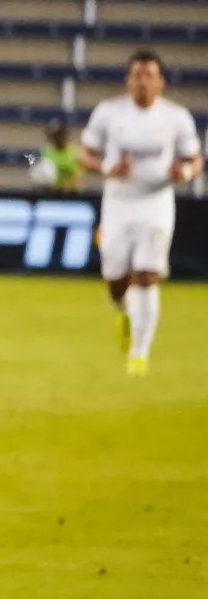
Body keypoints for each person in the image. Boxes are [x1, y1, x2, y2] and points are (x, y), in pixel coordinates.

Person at [79, 50, 201, 376]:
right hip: (118, 203)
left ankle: (139, 354)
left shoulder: (176, 118)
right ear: (127, 80)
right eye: (136, 75)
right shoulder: (109, 113)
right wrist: (106, 166)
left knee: (147, 274)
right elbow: (85, 153)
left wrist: (186, 174)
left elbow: (194, 158)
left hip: (156, 203)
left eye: (148, 75)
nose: (142, 81)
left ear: (160, 81)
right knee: (116, 280)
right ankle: (126, 312)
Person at [31, 121, 82, 193]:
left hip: (71, 193)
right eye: (55, 136)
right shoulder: (46, 152)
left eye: (60, 135)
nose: (58, 138)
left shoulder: (75, 152)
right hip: (52, 193)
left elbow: (76, 175)